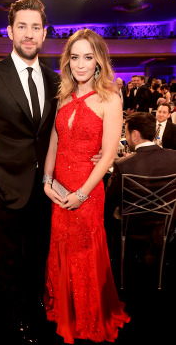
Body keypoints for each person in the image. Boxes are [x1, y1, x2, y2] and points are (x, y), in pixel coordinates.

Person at [0, 0, 60, 344]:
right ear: (9, 31)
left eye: (35, 27)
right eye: (22, 26)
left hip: (45, 187)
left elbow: (57, 132)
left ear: (44, 33)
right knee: (7, 258)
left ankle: (36, 306)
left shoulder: (54, 80)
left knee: (38, 253)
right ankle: (14, 315)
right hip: (3, 187)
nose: (29, 33)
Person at [43, 29, 130, 344]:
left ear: (99, 61)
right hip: (59, 186)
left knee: (84, 249)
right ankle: (65, 309)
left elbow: (107, 154)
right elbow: (55, 138)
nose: (80, 65)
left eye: (88, 57)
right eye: (75, 57)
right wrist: (46, 179)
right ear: (68, 61)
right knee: (61, 245)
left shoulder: (110, 97)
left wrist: (81, 194)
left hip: (88, 189)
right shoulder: (64, 95)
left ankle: (89, 315)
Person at [105, 112, 176, 286]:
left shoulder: (123, 165)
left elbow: (108, 200)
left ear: (135, 135)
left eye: (127, 133)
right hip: (165, 228)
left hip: (131, 230)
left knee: (108, 216)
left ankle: (117, 277)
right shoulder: (174, 158)